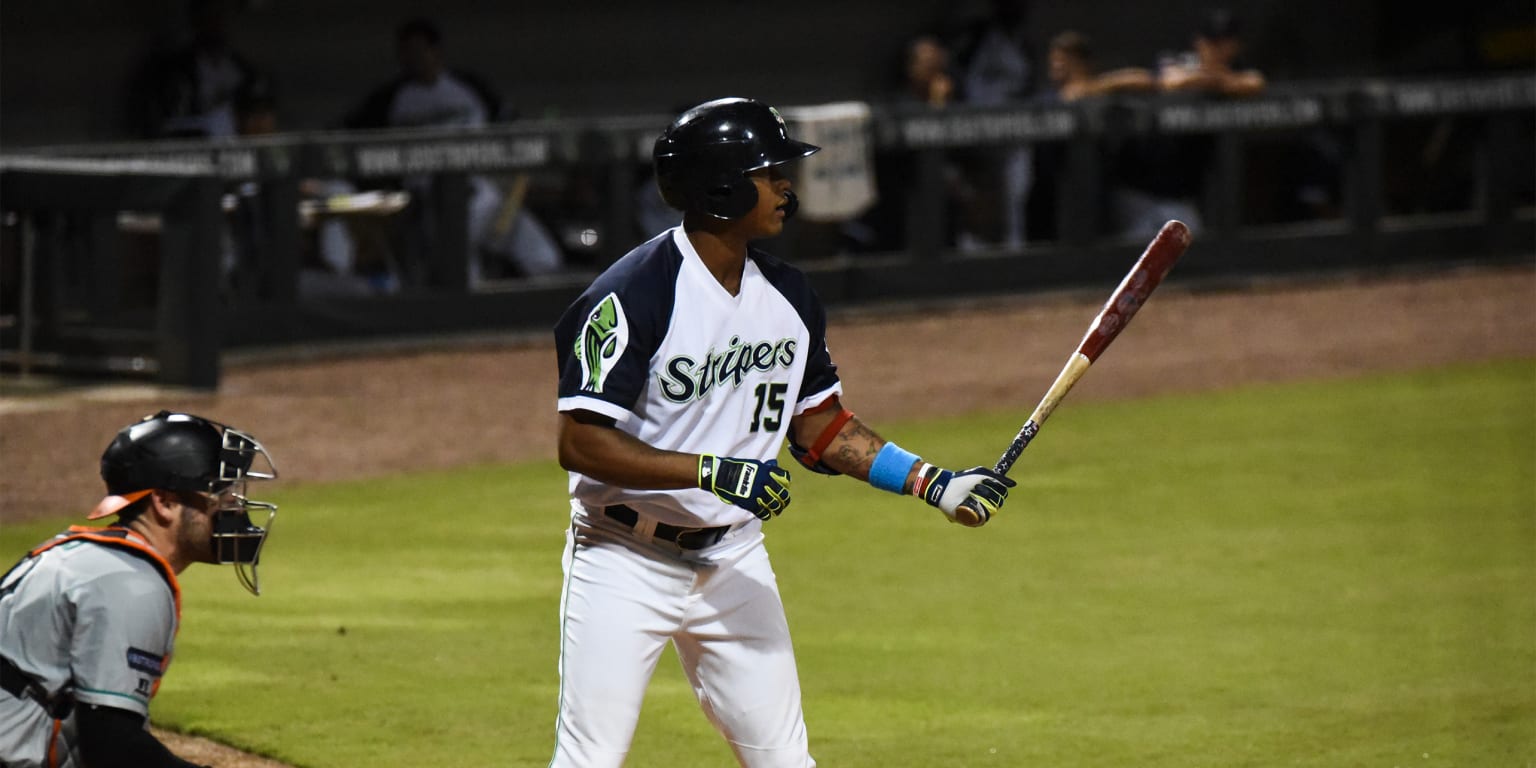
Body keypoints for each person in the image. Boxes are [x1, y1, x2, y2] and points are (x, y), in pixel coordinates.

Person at [548, 97, 1015, 767]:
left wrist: (931, 482)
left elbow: (819, 425)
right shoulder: (630, 296)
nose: (787, 187)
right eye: (771, 173)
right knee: (589, 761)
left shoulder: (790, 297)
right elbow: (581, 442)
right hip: (622, 557)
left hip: (733, 557)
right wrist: (709, 471)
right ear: (721, 185)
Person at [0, 411, 280, 768]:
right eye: (219, 492)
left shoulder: (94, 559)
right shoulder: (130, 581)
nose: (234, 506)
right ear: (164, 502)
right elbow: (113, 745)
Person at [344, 17, 564, 283]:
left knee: (543, 258)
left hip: (484, 193)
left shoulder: (468, 86)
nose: (414, 58)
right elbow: (349, 143)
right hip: (429, 203)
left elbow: (513, 129)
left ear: (436, 50)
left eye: (420, 49)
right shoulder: (390, 98)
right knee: (461, 276)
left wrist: (509, 186)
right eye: (406, 51)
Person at [135, 0, 264, 139]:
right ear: (196, 22)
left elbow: (258, 115)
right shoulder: (178, 70)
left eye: (219, 17)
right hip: (194, 149)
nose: (215, 24)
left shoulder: (242, 69)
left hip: (238, 148)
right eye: (209, 17)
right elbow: (167, 121)